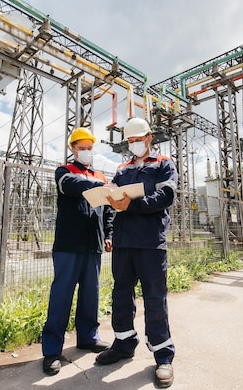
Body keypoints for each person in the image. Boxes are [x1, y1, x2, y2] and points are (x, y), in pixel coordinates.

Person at [95, 117, 178, 388]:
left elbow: (166, 196)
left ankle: (163, 355)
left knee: (154, 297)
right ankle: (123, 342)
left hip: (151, 242)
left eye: (137, 139)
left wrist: (131, 205)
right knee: (121, 294)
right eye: (129, 141)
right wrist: (110, 230)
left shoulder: (164, 164)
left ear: (149, 138)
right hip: (123, 241)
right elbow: (113, 203)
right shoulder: (122, 169)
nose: (133, 145)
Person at [41, 127, 114, 376]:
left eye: (89, 148)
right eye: (81, 148)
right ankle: (52, 350)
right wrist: (102, 184)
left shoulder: (99, 174)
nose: (86, 151)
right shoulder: (65, 172)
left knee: (90, 296)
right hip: (68, 245)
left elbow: (108, 210)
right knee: (61, 296)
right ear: (73, 149)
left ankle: (88, 337)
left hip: (92, 245)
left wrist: (109, 234)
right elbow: (73, 186)